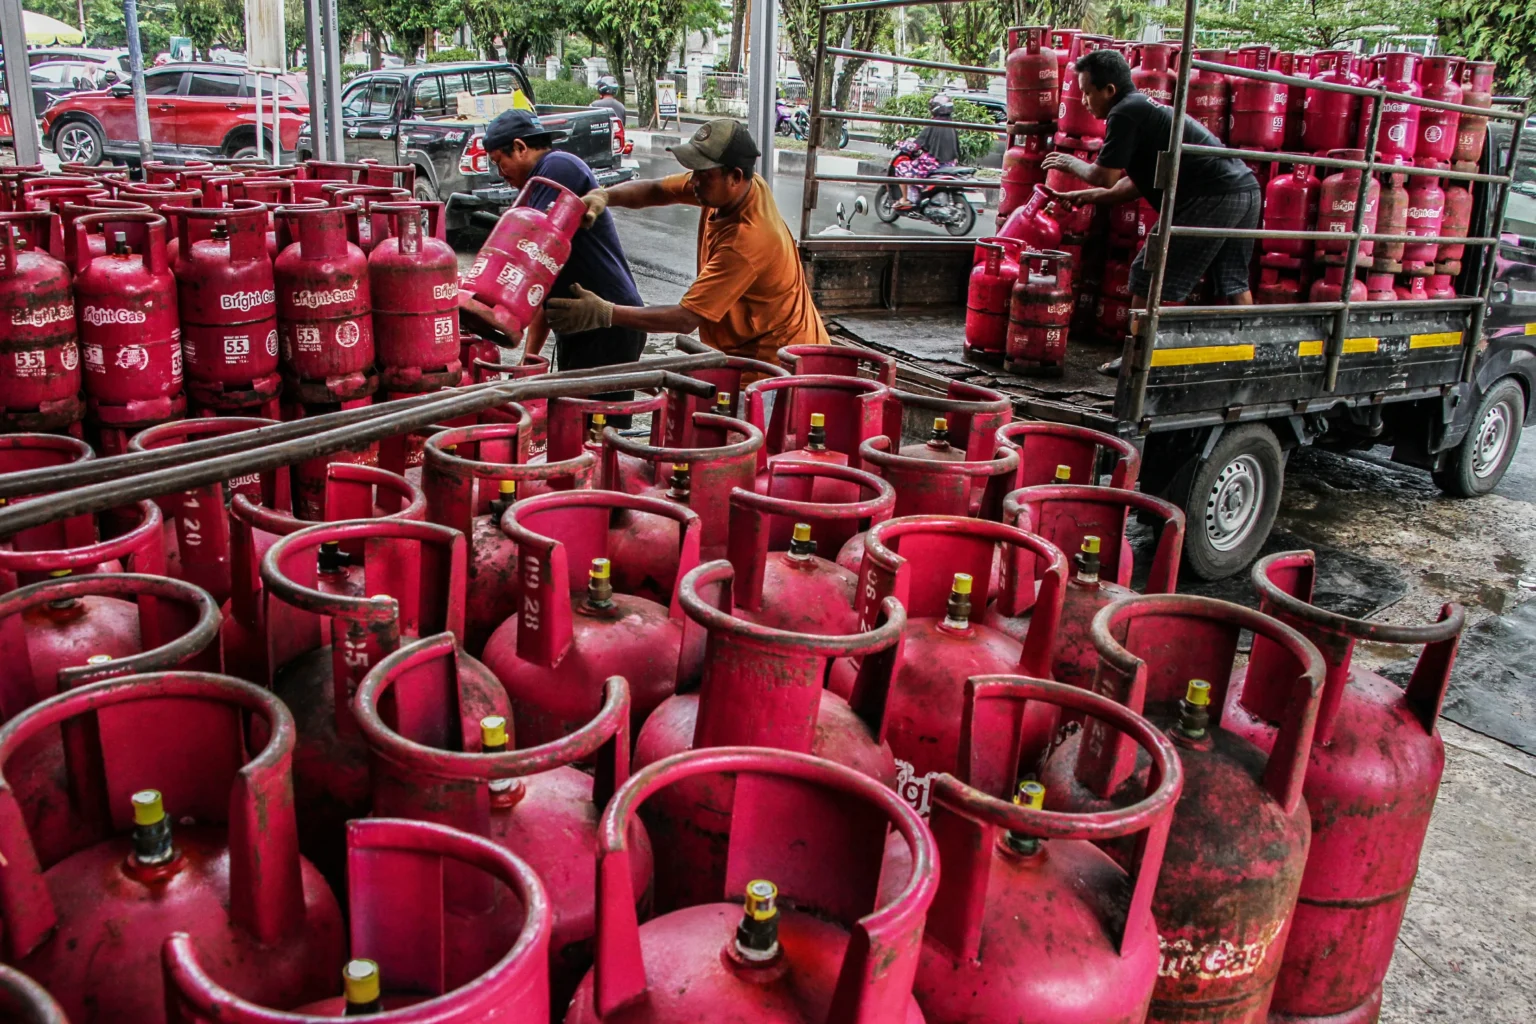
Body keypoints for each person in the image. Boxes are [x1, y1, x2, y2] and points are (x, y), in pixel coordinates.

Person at [545, 118, 829, 368]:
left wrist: (605, 312)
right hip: (746, 348)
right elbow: (656, 190)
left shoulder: (747, 241)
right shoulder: (730, 190)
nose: (693, 181)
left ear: (735, 177)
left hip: (775, 361)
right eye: (694, 171)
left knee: (747, 428)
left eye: (702, 174)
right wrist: (604, 196)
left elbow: (684, 318)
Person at [1042, 49, 1259, 310]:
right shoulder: (1141, 109)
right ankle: (1248, 349)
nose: (1084, 101)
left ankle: (1139, 347)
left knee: (1148, 273)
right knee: (1233, 280)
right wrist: (1082, 196)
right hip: (1244, 190)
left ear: (1109, 90)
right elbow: (1131, 186)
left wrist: (1069, 162)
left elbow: (1105, 176)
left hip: (1214, 195)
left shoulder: (1124, 112)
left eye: (1088, 93)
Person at [475, 109, 646, 405]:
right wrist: (529, 360)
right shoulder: (538, 186)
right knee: (570, 422)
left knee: (591, 428)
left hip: (608, 321)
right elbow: (542, 288)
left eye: (498, 162)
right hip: (580, 322)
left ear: (519, 147)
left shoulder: (557, 166)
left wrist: (484, 300)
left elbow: (526, 256)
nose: (499, 173)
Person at [895, 94, 961, 208]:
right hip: (950, 164)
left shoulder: (933, 125)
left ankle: (905, 199)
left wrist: (900, 144)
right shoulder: (952, 125)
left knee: (902, 167)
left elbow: (916, 145)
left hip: (934, 164)